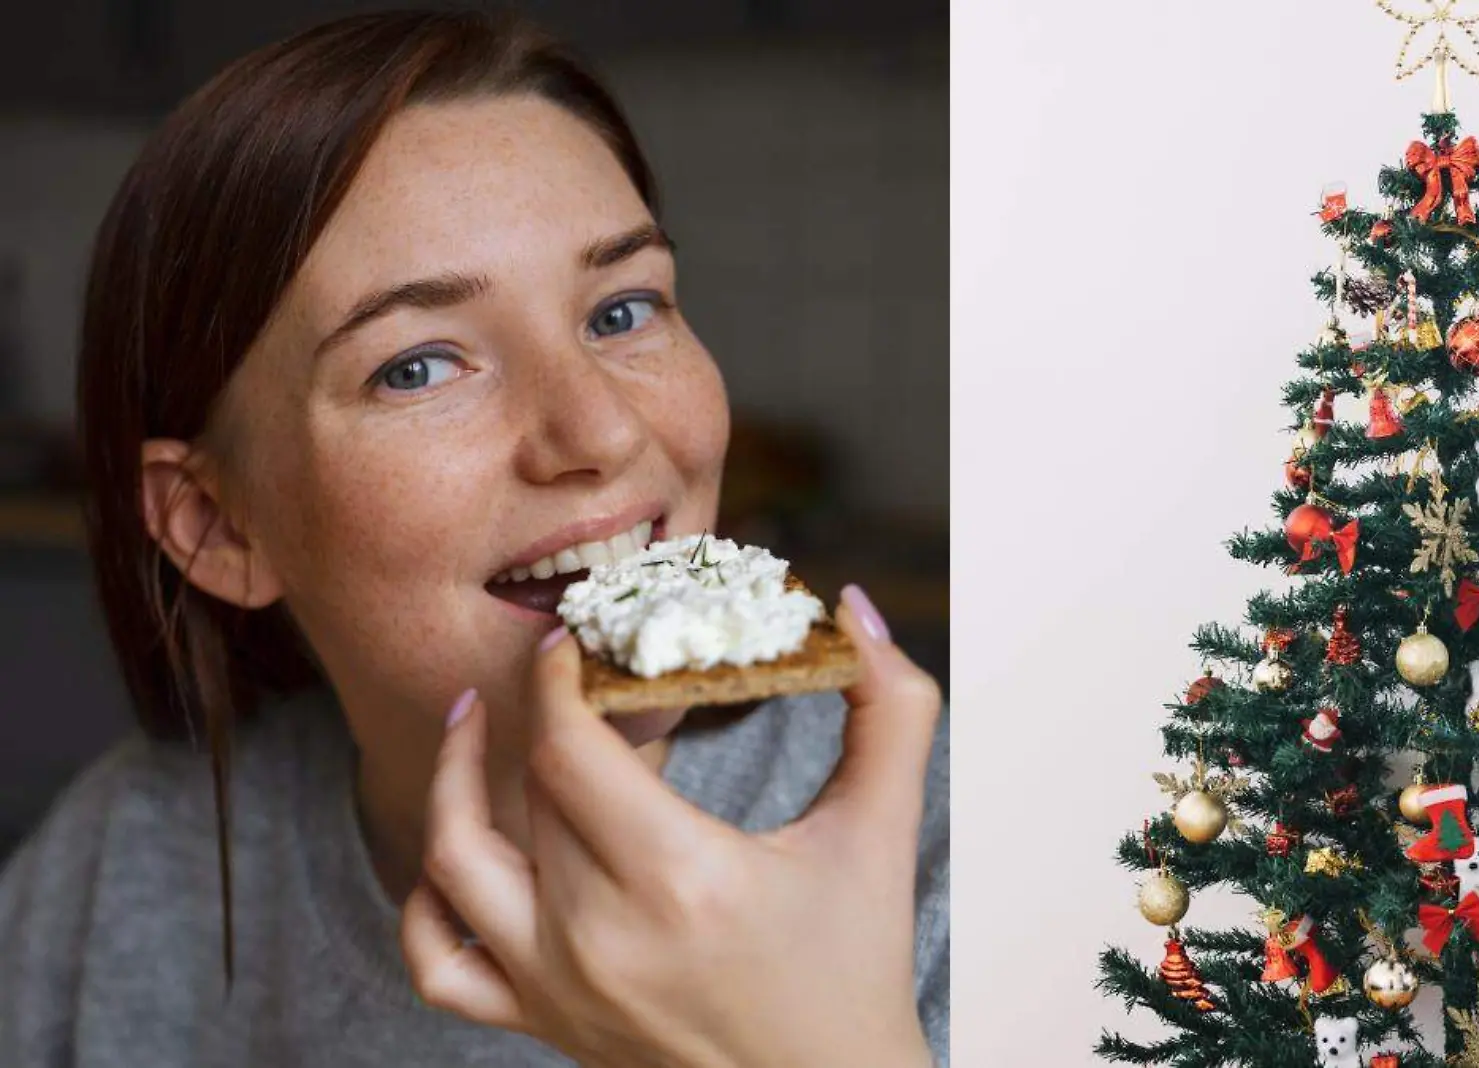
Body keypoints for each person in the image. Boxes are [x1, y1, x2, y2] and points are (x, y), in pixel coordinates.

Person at [0, 10, 948, 1067]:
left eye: (623, 310)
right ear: (219, 524)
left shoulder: (986, 860)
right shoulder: (121, 860)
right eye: (417, 366)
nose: (601, 430)